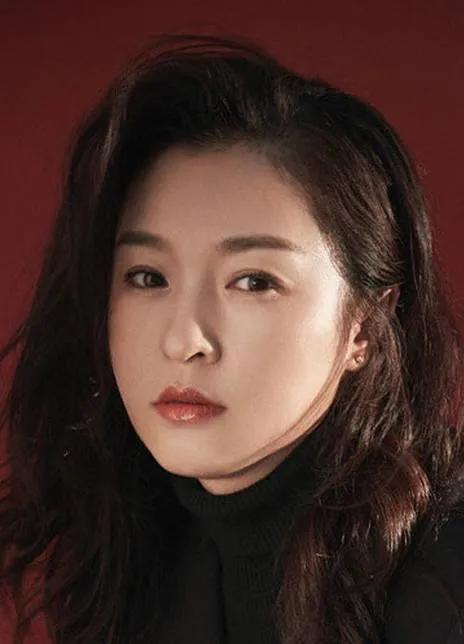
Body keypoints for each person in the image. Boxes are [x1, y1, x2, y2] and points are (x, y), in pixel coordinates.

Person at [0, 31, 463, 644]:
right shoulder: (130, 559)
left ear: (365, 325)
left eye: (253, 281)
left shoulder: (445, 575)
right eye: (148, 277)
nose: (184, 340)